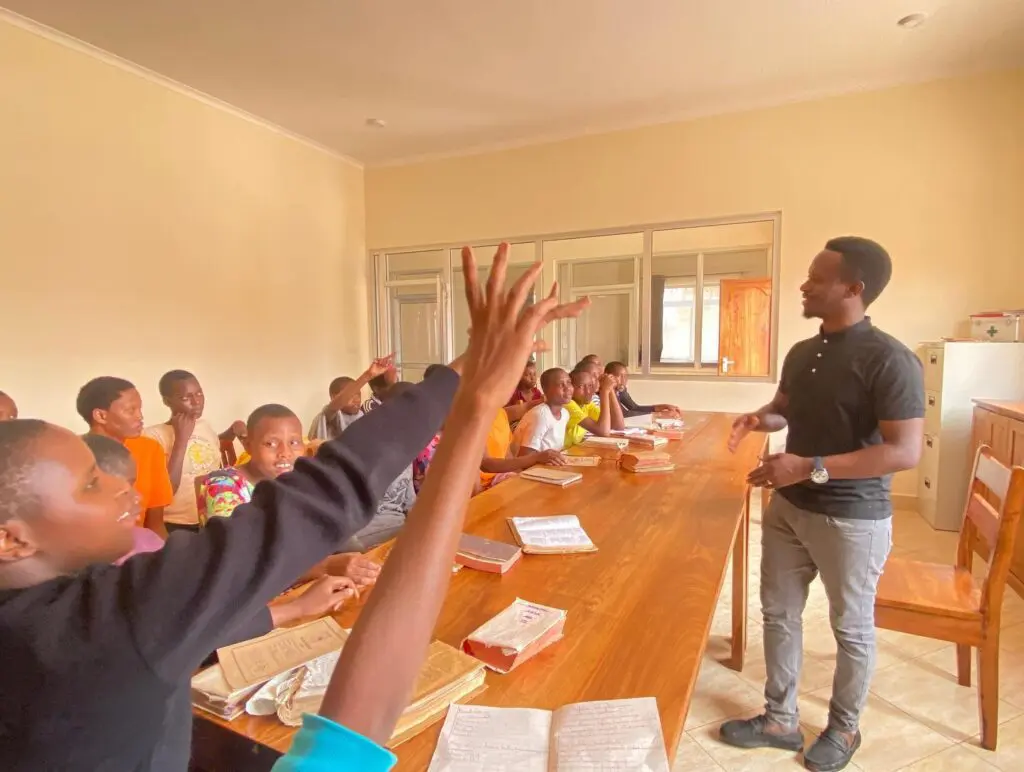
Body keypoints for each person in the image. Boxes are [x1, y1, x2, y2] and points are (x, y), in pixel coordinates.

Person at [0, 360, 461, 769]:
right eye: (90, 485)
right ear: (10, 538)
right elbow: (320, 495)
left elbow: (179, 627)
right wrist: (459, 377)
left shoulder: (75, 608)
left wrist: (293, 611)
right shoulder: (106, 619)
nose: (123, 488)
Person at [271, 243, 588, 771]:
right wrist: (475, 391)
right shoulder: (338, 441)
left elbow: (354, 723)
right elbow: (362, 712)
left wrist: (475, 387)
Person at [718, 237, 924, 772]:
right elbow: (784, 410)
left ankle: (844, 728)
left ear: (853, 289)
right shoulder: (803, 352)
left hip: (852, 518)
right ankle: (779, 720)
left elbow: (903, 452)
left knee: (850, 629)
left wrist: (809, 465)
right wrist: (757, 419)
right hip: (789, 507)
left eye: (816, 277)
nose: (804, 285)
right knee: (779, 614)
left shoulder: (891, 360)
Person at [202, 404, 381, 587]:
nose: (285, 453)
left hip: (303, 577)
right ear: (248, 445)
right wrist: (326, 567)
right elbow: (241, 564)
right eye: (270, 444)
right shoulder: (224, 488)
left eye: (294, 443)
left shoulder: (300, 478)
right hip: (257, 593)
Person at [143, 370, 245, 533]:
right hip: (176, 524)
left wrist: (230, 433)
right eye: (186, 397)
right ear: (167, 401)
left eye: (199, 394)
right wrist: (181, 439)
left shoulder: (204, 425)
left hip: (213, 516)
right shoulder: (153, 436)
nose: (196, 401)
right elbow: (165, 492)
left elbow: (205, 451)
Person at [76, 376, 173, 537]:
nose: (140, 417)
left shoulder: (150, 449)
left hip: (138, 552)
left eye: (140, 410)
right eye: (130, 411)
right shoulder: (73, 452)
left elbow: (155, 523)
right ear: (101, 416)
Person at [337, 383, 418, 550]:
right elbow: (342, 512)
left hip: (399, 530)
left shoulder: (407, 448)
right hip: (364, 536)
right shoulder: (358, 445)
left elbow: (410, 503)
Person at [81, 434, 165, 565]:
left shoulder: (147, 543)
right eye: (125, 490)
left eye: (132, 485)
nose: (137, 497)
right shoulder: (145, 545)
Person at [309, 356, 395, 441]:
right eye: (351, 395)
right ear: (333, 397)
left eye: (358, 395)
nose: (357, 400)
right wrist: (368, 375)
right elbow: (336, 405)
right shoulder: (330, 415)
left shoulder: (361, 415)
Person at [479, 406, 564, 491]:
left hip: (501, 479)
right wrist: (536, 457)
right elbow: (486, 465)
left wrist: (524, 476)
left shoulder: (500, 413)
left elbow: (508, 456)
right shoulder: (474, 417)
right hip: (481, 487)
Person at [511, 367, 573, 455]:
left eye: (569, 382)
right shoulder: (541, 416)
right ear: (546, 390)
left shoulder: (565, 414)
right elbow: (524, 456)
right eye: (561, 384)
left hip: (548, 465)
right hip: (527, 467)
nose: (568, 388)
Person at [564, 368, 625, 448]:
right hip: (563, 453)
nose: (588, 391)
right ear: (570, 388)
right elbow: (603, 432)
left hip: (577, 450)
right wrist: (604, 391)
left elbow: (618, 426)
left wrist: (611, 389)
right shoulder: (568, 404)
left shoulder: (586, 404)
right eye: (581, 386)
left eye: (590, 385)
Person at [604, 361, 681, 418]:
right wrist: (659, 415)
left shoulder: (620, 390)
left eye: (626, 376)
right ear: (609, 376)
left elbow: (634, 407)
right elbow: (625, 415)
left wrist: (664, 407)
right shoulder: (605, 392)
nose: (624, 380)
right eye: (620, 376)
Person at [505, 359, 544, 425]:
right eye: (527, 375)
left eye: (534, 374)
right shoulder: (513, 393)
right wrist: (516, 407)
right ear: (519, 377)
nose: (532, 378)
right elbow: (505, 414)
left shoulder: (537, 392)